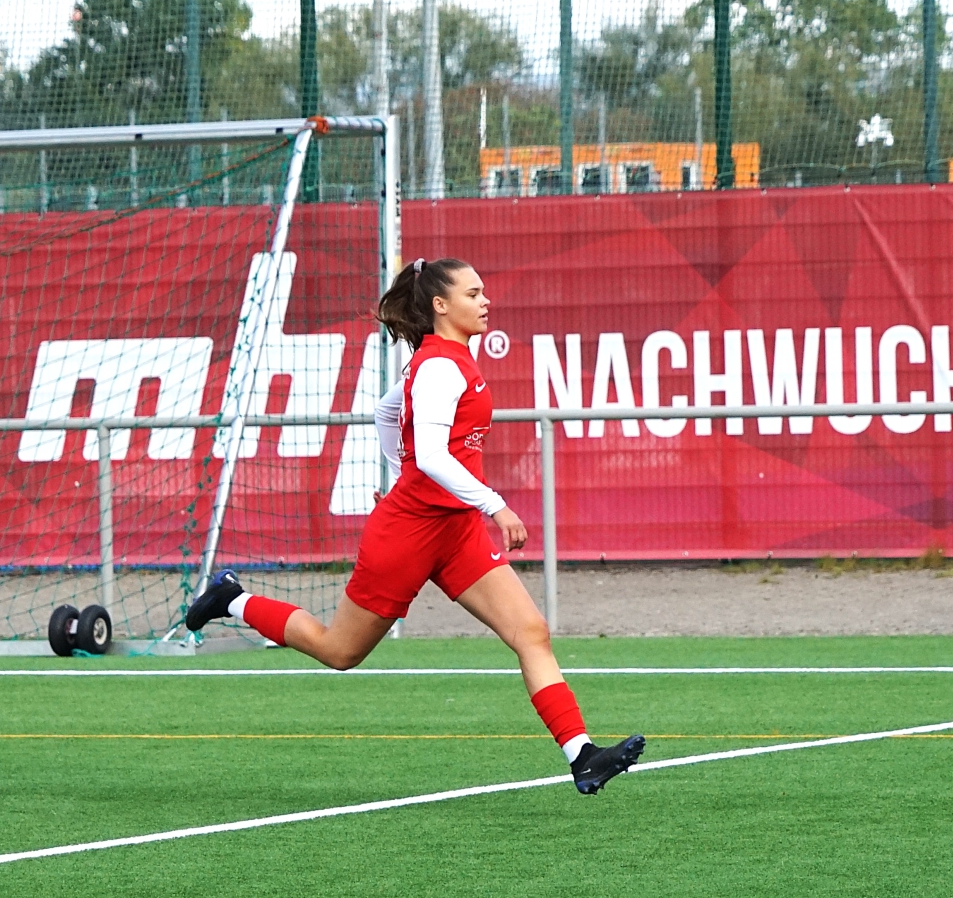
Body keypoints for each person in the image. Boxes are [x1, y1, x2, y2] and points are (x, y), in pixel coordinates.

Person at [184, 257, 645, 794]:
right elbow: (429, 454)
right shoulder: (438, 366)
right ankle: (232, 600)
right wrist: (494, 504)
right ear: (441, 305)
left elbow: (386, 414)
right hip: (408, 532)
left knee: (531, 633)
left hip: (454, 530)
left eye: (483, 291)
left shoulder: (448, 359)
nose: (485, 301)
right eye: (473, 293)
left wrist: (404, 473)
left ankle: (581, 755)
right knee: (339, 651)